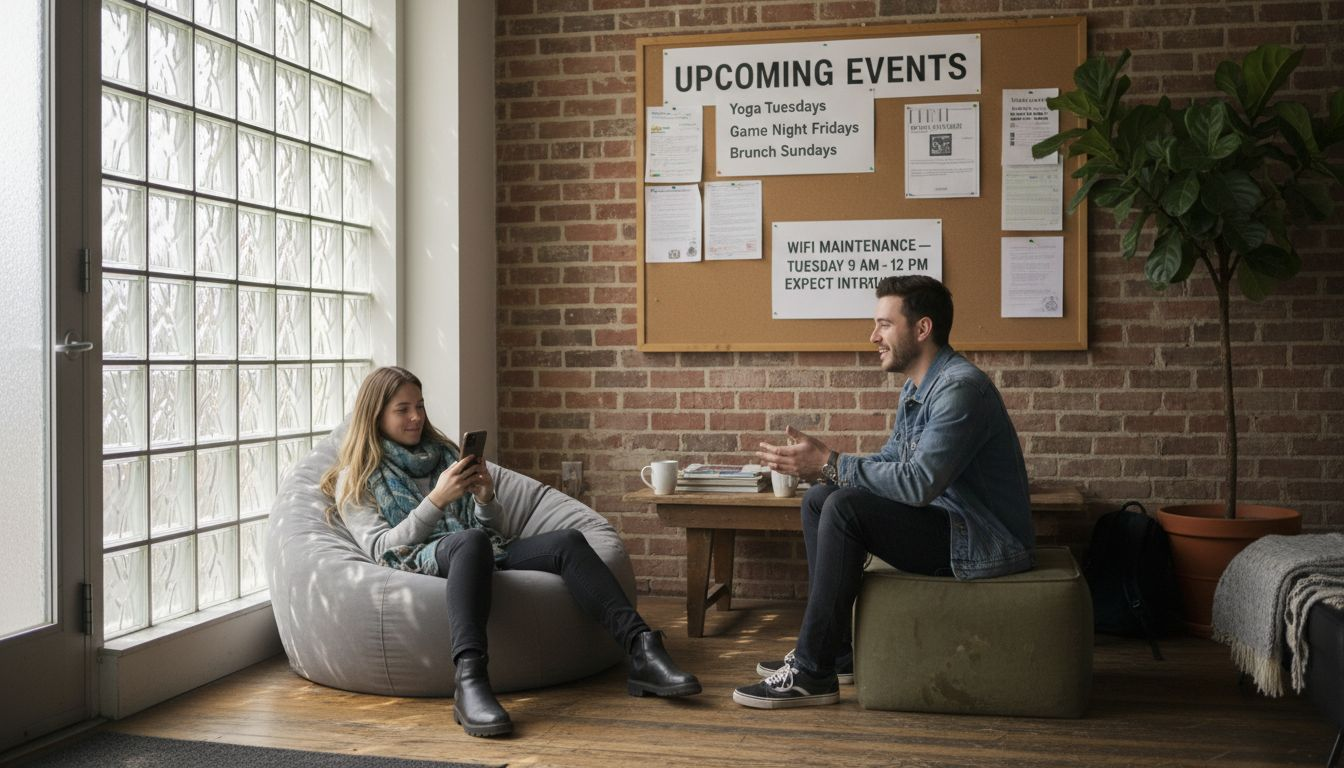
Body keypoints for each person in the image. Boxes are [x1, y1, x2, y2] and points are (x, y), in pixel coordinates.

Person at [320, 366, 700, 738]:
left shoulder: (444, 454)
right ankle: (470, 681)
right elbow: (382, 548)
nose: (416, 416)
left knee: (566, 540)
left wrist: (486, 497)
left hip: (479, 549)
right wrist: (437, 499)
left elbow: (491, 529)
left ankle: (642, 650)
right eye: (402, 409)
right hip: (421, 558)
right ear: (376, 415)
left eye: (419, 405)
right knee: (470, 543)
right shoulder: (359, 476)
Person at [733, 275, 1034, 709]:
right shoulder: (916, 388)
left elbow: (918, 483)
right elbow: (892, 463)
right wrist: (823, 469)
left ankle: (811, 671)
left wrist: (832, 464)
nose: (873, 336)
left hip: (985, 539)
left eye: (884, 325)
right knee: (822, 498)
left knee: (844, 508)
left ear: (922, 329)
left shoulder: (960, 389)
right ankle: (834, 654)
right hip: (948, 521)